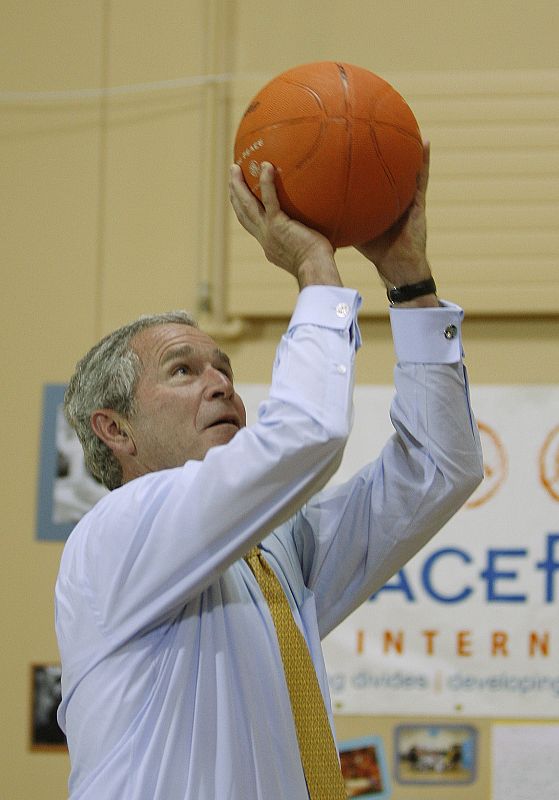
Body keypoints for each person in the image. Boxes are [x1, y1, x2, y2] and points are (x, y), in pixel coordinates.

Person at [55, 144, 483, 799]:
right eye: (182, 370)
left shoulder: (272, 551)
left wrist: (409, 283)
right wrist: (315, 271)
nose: (220, 383)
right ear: (115, 429)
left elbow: (439, 468)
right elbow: (307, 434)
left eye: (223, 368)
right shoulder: (116, 533)